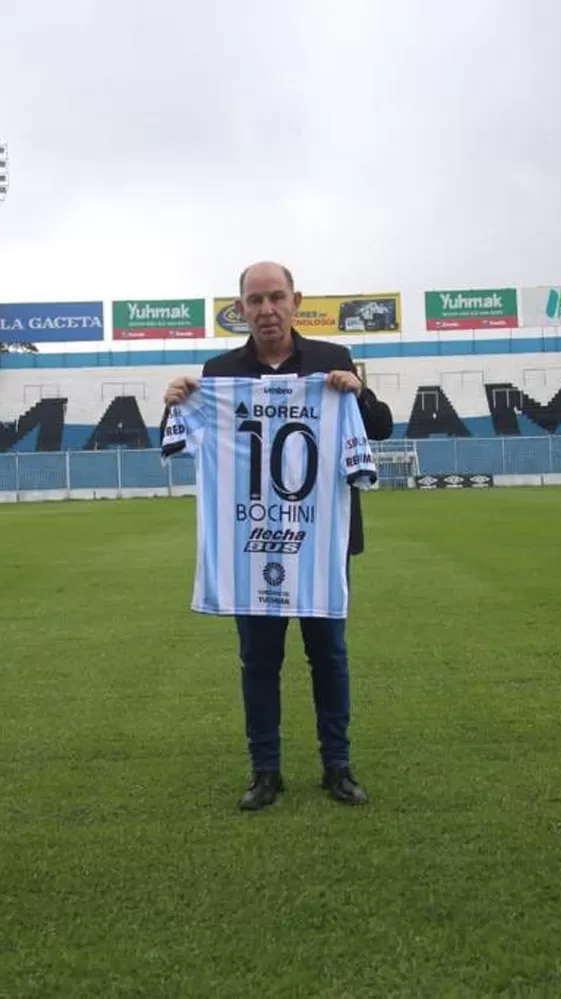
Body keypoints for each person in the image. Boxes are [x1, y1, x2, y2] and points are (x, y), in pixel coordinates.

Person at [163, 261, 395, 811]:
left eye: (276, 297)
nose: (266, 309)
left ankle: (336, 765)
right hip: (250, 542)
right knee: (259, 662)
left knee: (328, 656)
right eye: (255, 300)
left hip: (318, 540)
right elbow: (189, 437)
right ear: (240, 308)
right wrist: (174, 401)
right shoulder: (219, 371)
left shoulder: (333, 361)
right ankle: (265, 771)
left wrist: (357, 393)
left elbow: (380, 426)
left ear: (295, 301)